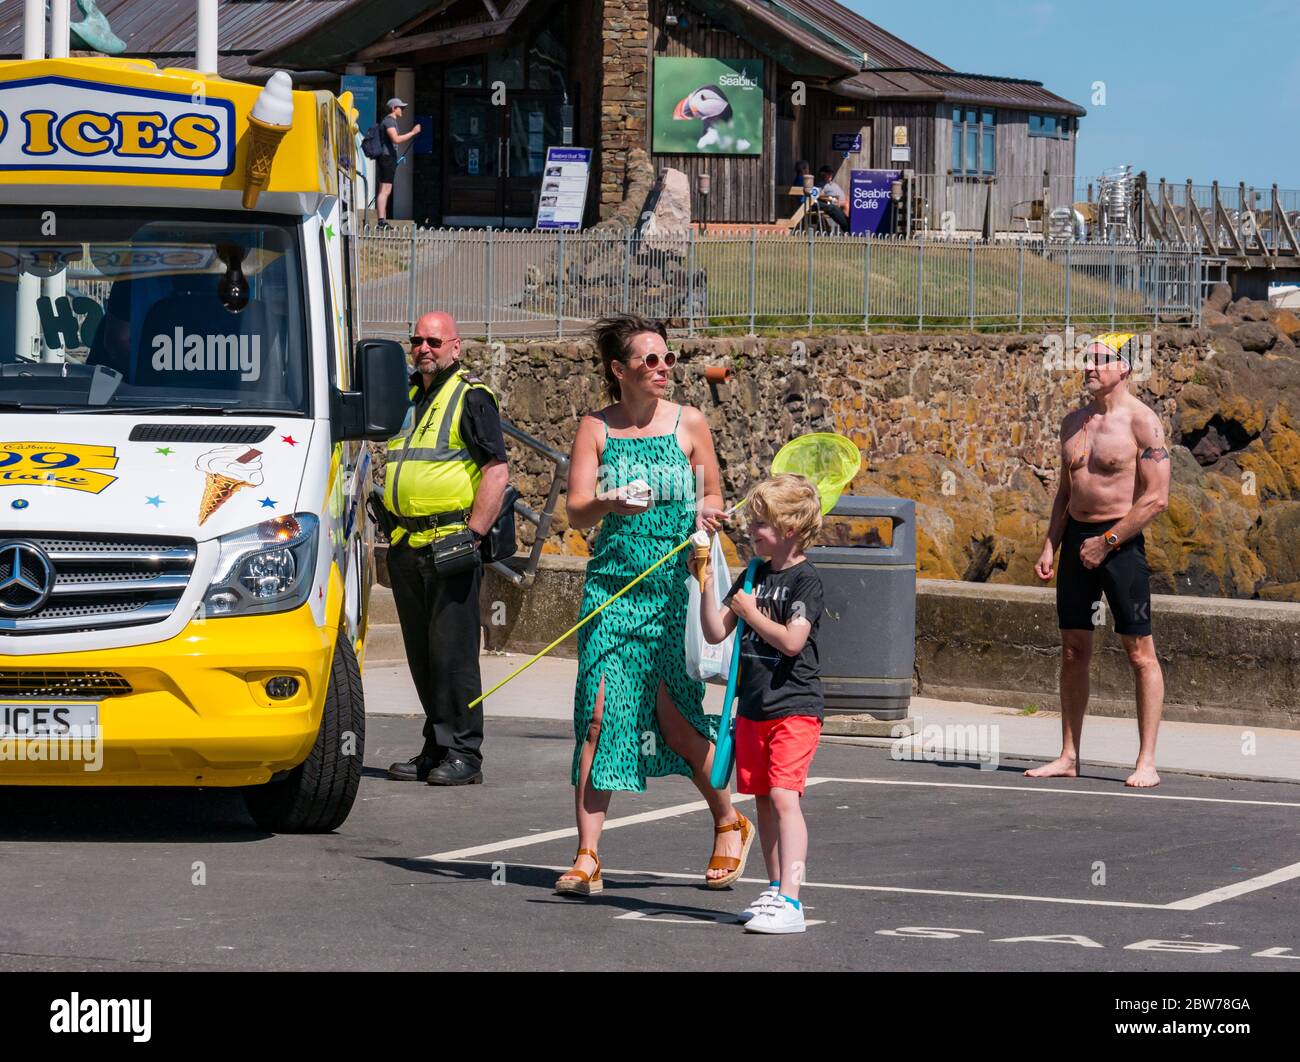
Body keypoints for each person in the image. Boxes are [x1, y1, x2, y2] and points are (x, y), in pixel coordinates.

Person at [554, 314, 753, 896]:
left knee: (675, 721)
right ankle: (588, 855)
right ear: (620, 371)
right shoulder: (595, 428)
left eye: (667, 359)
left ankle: (727, 819)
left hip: (671, 591)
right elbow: (576, 509)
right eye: (649, 360)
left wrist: (705, 515)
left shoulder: (690, 423)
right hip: (611, 592)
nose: (663, 369)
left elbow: (711, 491)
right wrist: (609, 503)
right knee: (596, 717)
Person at [1031, 333, 1171, 788]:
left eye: (1099, 361)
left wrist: (1106, 541)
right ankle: (1069, 755)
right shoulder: (1073, 423)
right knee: (1073, 650)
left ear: (1125, 369)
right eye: (1086, 360)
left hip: (1121, 544)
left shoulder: (1143, 424)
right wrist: (1052, 542)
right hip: (1076, 540)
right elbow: (1067, 492)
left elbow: (1156, 500)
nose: (1089, 368)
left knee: (1139, 653)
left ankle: (1146, 760)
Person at [694, 474, 826, 934]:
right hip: (752, 706)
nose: (752, 530)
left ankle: (792, 898)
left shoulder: (806, 580)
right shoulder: (753, 573)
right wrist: (706, 576)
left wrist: (752, 614)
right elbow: (715, 631)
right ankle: (773, 890)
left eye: (762, 524)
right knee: (764, 801)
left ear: (790, 528)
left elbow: (793, 641)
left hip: (795, 705)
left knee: (786, 798)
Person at [384, 311, 509, 786]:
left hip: (449, 542)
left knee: (454, 654)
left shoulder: (471, 397)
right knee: (422, 653)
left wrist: (472, 536)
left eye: (434, 340)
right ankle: (436, 745)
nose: (424, 348)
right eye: (416, 339)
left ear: (456, 347)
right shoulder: (410, 397)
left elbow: (497, 472)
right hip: (406, 542)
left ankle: (464, 754)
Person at [377, 98, 422, 229]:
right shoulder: (389, 121)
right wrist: (413, 133)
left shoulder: (391, 121)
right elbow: (395, 139)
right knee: (385, 190)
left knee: (385, 190)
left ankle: (382, 220)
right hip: (386, 158)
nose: (402, 110)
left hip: (388, 158)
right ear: (393, 108)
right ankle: (381, 221)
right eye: (400, 107)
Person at [814, 166, 850, 231]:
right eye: (828, 173)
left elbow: (842, 193)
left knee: (852, 204)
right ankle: (848, 228)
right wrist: (831, 199)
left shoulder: (833, 184)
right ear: (822, 174)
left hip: (842, 201)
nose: (831, 175)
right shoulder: (820, 185)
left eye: (831, 173)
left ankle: (853, 225)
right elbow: (819, 196)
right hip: (834, 202)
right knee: (846, 204)